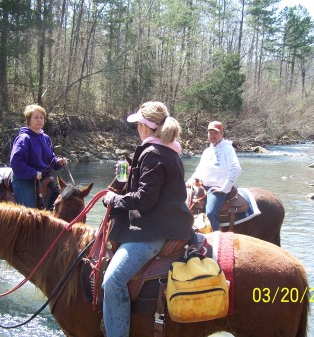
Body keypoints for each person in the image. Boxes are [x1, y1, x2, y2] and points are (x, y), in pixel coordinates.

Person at [102, 101, 194, 337]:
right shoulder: (168, 149)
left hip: (155, 231)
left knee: (112, 282)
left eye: (138, 125)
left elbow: (145, 200)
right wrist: (130, 174)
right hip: (169, 223)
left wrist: (114, 200)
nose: (137, 129)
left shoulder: (153, 153)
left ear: (145, 127)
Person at [186, 121, 241, 231]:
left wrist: (224, 188)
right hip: (203, 185)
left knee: (210, 213)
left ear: (222, 134)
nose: (213, 136)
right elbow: (200, 170)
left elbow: (236, 168)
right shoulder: (207, 151)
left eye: (215, 133)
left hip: (216, 188)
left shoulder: (227, 149)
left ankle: (216, 239)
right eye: (210, 133)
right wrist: (189, 181)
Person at [10, 104, 68, 208]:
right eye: (36, 117)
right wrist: (33, 173)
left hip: (43, 179)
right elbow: (16, 163)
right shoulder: (24, 138)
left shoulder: (45, 138)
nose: (39, 120)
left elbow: (50, 159)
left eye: (42, 117)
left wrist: (58, 161)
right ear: (29, 120)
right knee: (31, 212)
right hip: (24, 179)